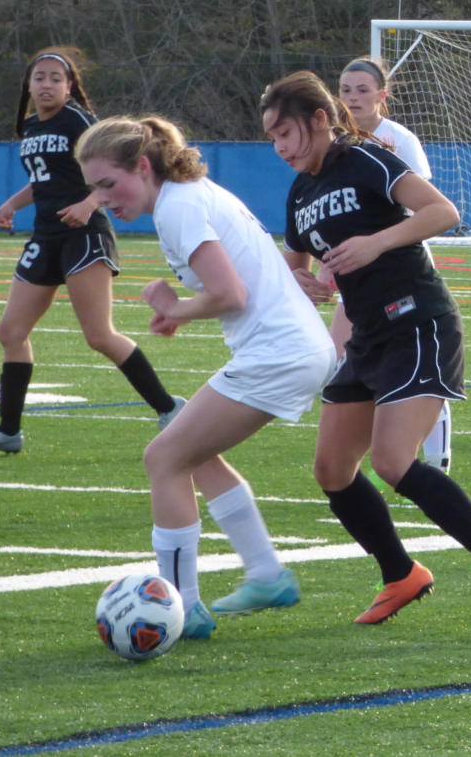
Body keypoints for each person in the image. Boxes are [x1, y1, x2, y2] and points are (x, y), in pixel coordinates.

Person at [260, 71, 471, 622]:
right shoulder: (300, 192)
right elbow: (295, 265)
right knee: (332, 469)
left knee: (392, 462)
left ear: (318, 120)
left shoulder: (367, 159)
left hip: (418, 324)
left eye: (285, 133)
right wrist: (304, 284)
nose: (280, 147)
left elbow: (442, 212)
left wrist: (374, 242)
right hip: (366, 337)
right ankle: (400, 574)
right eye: (271, 139)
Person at [76, 115, 336, 639]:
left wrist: (176, 306)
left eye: (108, 183)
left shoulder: (178, 206)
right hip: (291, 349)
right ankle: (266, 574)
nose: (102, 198)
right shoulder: (185, 196)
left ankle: (182, 607)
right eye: (93, 189)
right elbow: (233, 290)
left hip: (279, 353)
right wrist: (179, 312)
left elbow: (231, 294)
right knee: (190, 450)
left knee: (165, 457)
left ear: (143, 166)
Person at [0, 47, 181, 454]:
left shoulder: (77, 120)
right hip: (45, 237)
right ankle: (8, 431)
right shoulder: (28, 126)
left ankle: (169, 408)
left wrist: (90, 202)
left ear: (70, 85)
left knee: (98, 335)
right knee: (11, 332)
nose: (47, 84)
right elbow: (45, 179)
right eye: (39, 77)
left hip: (83, 234)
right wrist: (13, 203)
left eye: (56, 78)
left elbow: (115, 164)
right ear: (28, 84)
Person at [337, 55, 451, 473]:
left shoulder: (399, 139)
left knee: (415, 368)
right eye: (346, 90)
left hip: (400, 268)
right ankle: (359, 445)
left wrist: (377, 243)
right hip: (356, 271)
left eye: (363, 90)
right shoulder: (335, 141)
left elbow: (422, 210)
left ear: (382, 96)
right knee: (341, 356)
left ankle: (436, 454)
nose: (353, 98)